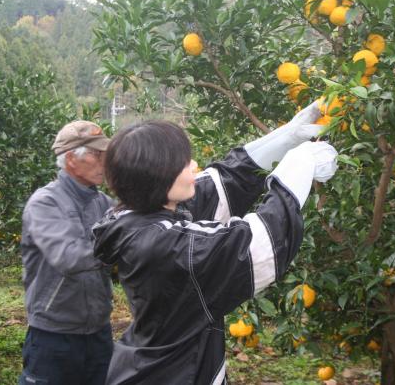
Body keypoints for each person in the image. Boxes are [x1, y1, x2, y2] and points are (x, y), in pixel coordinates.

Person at [93, 102, 338, 384]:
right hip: (171, 376)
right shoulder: (165, 247)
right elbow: (260, 244)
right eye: (184, 163)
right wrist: (301, 165)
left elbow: (225, 180)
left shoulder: (139, 216)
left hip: (149, 368)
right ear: (159, 176)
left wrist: (287, 137)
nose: (194, 166)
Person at [19, 120, 115, 385]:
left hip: (98, 332)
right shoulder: (45, 203)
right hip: (53, 336)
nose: (104, 162)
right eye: (97, 155)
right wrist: (122, 241)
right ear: (72, 158)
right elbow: (70, 257)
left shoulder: (104, 203)